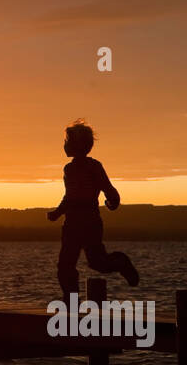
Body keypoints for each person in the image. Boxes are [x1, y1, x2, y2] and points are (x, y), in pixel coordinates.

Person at [47, 120, 139, 297]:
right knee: (66, 264)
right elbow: (69, 196)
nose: (64, 145)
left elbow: (107, 187)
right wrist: (58, 213)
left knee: (97, 262)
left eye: (67, 142)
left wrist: (113, 200)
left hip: (89, 221)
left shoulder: (94, 166)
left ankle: (121, 262)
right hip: (72, 223)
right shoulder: (69, 169)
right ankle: (70, 301)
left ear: (78, 145)